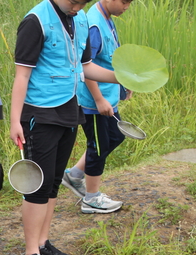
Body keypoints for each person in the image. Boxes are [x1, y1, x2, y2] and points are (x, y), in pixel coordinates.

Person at [9, 0, 121, 255]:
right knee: (37, 185)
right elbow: (22, 75)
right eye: (74, 2)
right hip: (39, 114)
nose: (77, 7)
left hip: (69, 109)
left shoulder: (80, 19)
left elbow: (85, 67)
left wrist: (121, 76)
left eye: (83, 2)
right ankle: (31, 253)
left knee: (54, 182)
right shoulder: (36, 21)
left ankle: (44, 243)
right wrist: (15, 120)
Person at [62, 0, 133, 214]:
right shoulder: (93, 24)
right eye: (124, 1)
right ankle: (91, 199)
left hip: (107, 96)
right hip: (95, 101)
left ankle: (74, 175)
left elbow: (110, 58)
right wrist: (99, 99)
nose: (126, 7)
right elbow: (86, 67)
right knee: (99, 147)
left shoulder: (106, 18)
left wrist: (123, 82)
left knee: (116, 136)